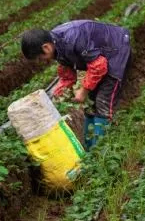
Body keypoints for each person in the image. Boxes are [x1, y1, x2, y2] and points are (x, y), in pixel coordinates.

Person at [20, 20, 132, 149]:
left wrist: (83, 90)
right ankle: (90, 145)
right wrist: (60, 93)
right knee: (92, 102)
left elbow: (99, 66)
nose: (42, 61)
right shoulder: (56, 44)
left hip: (116, 49)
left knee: (103, 100)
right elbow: (67, 69)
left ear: (46, 47)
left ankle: (100, 148)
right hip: (101, 55)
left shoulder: (73, 39)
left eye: (40, 58)